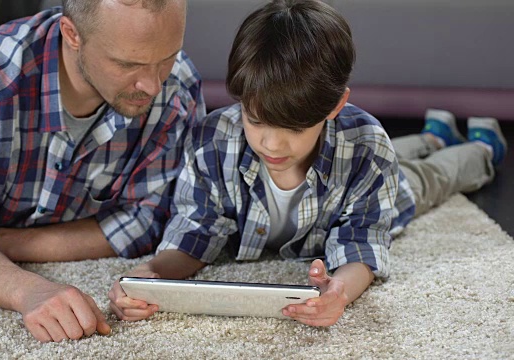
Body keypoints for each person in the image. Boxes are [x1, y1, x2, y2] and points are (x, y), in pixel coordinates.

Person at [108, 0, 507, 326]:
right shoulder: (216, 138)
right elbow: (194, 230)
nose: (270, 142)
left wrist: (340, 292)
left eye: (293, 127)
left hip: (380, 180)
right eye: (256, 119)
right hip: (349, 156)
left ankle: (482, 148)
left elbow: (361, 245)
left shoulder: (367, 147)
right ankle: (433, 135)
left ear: (335, 106)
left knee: (430, 178)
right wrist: (152, 276)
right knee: (396, 154)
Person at [0, 0, 205, 342]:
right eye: (128, 64)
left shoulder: (177, 89)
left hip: (12, 209)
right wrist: (30, 291)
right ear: (71, 34)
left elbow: (148, 218)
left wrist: (1, 242)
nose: (154, 86)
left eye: (167, 57)